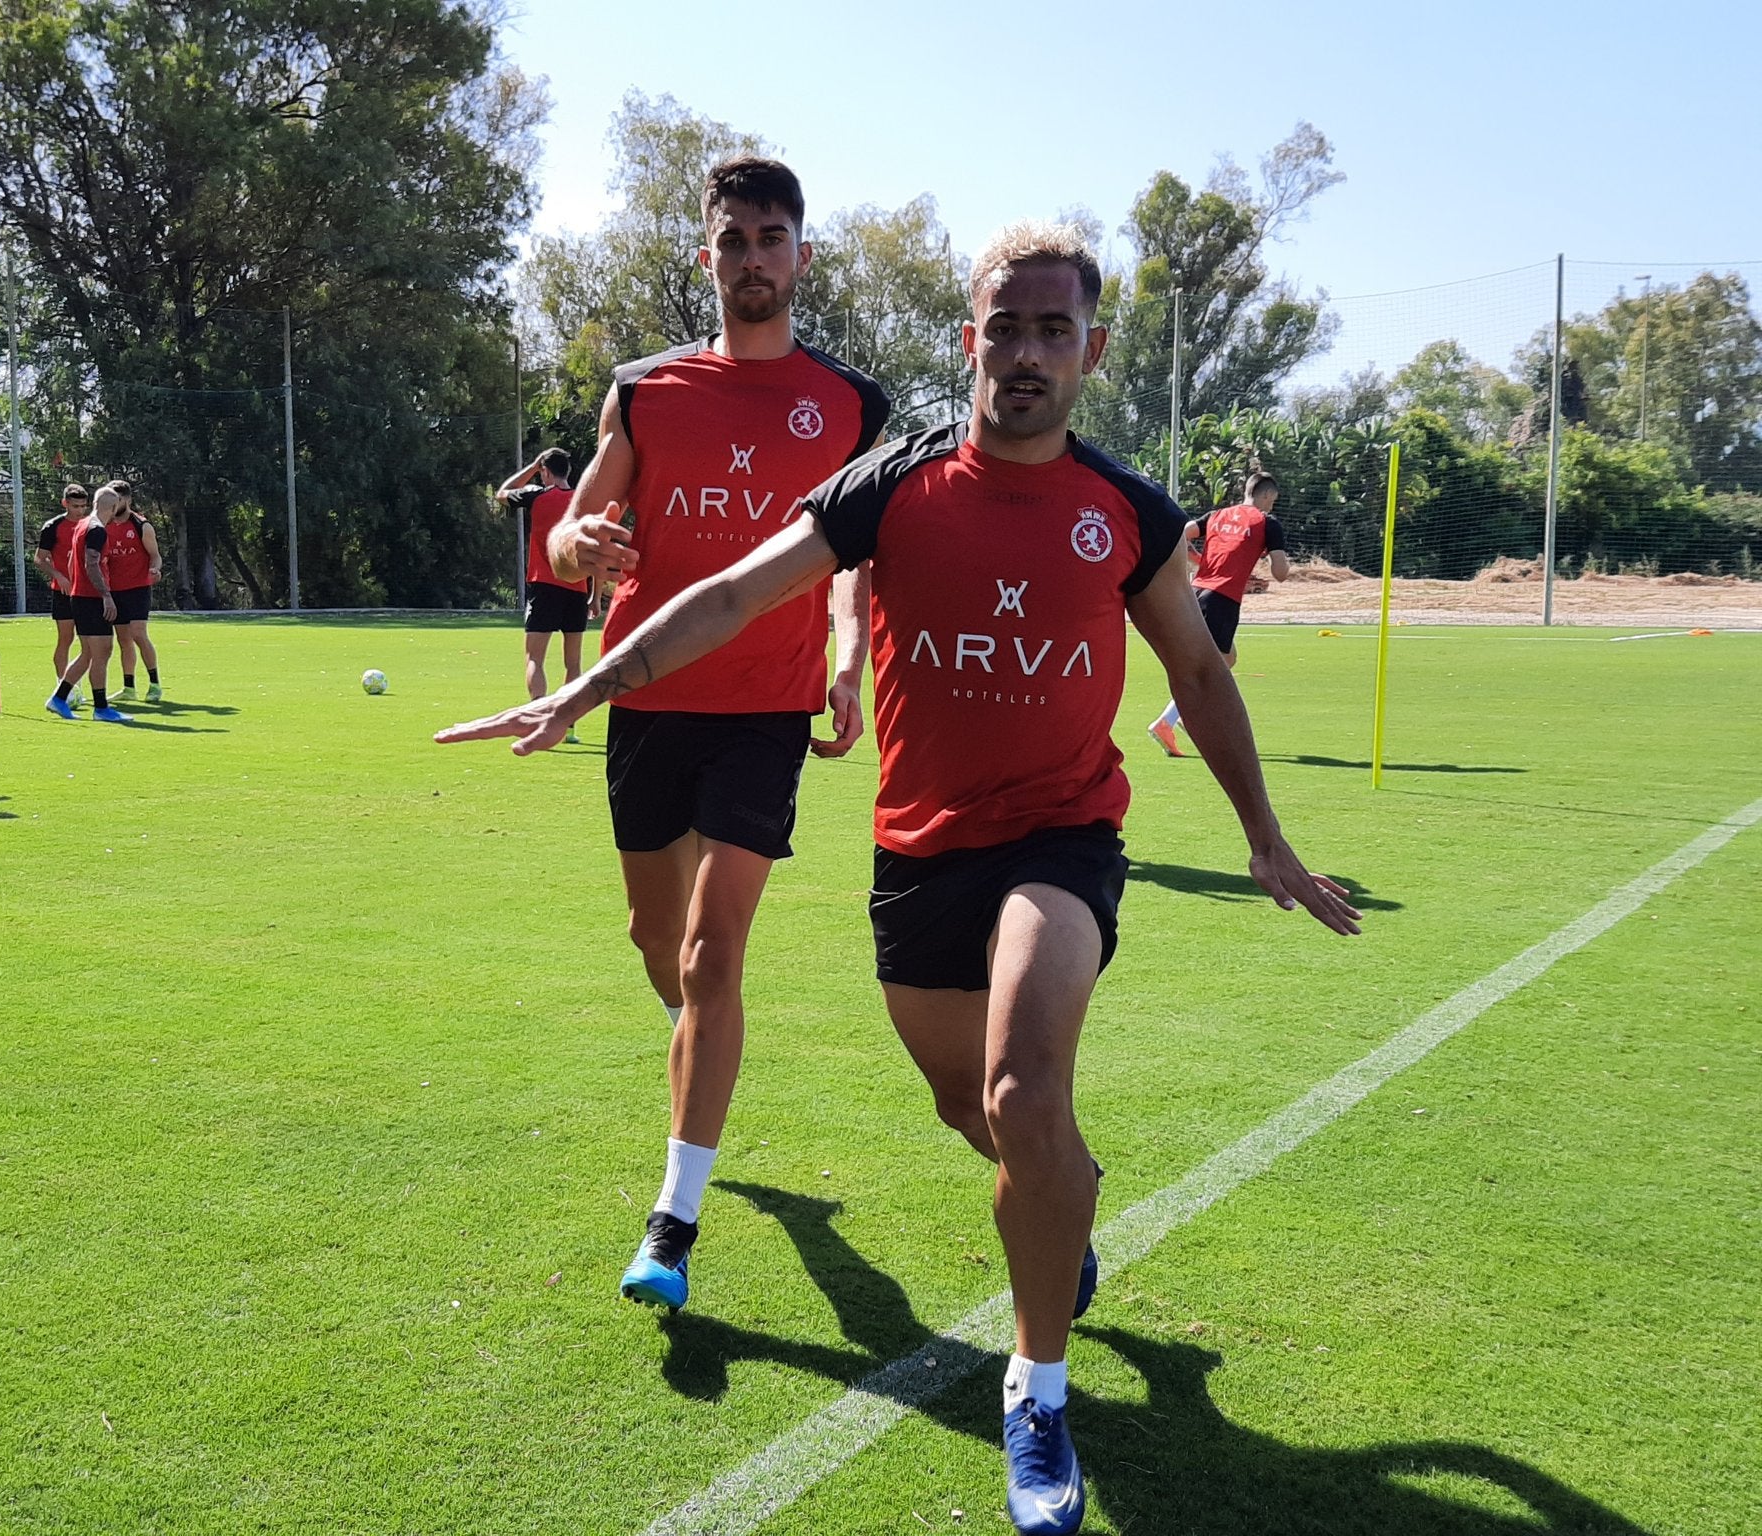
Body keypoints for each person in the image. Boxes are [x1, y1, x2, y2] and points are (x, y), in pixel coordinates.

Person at [439, 223, 1360, 1536]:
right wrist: (588, 686)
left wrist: (1264, 833)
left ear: (1091, 351)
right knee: (970, 1113)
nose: (1027, 352)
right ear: (970, 338)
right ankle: (1058, 1199)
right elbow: (737, 594)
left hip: (1062, 842)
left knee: (1019, 1085)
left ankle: (1035, 1394)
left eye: (1055, 330)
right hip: (922, 854)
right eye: (1006, 326)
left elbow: (1199, 676)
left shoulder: (1129, 513)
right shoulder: (894, 483)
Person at [529, 156, 890, 1312]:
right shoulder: (643, 391)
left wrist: (845, 656)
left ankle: (670, 1224)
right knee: (657, 946)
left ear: (801, 255)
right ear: (708, 257)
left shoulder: (851, 406)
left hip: (763, 716)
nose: (750, 260)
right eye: (731, 241)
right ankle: (704, 1047)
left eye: (769, 239)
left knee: (711, 951)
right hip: (644, 700)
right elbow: (571, 529)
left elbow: (852, 556)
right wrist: (579, 549)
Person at [1148, 471, 1291, 757]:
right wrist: (1277, 562)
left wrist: (1198, 560)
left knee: (1227, 657)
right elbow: (1281, 573)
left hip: (1196, 592)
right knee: (1207, 668)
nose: (1271, 506)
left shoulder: (1218, 515)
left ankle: (1183, 719)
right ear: (1264, 496)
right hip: (1223, 599)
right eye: (1272, 501)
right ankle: (1169, 720)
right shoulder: (1267, 523)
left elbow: (1181, 532)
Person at [495, 447, 588, 741]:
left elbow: (503, 492)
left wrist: (532, 467)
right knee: (573, 663)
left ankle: (538, 720)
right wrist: (596, 595)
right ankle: (569, 726)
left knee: (534, 657)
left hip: (544, 586)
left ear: (545, 471)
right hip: (577, 588)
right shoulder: (583, 502)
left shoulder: (536, 495)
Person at [45, 486, 130, 723]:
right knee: (102, 651)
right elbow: (91, 563)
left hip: (80, 597)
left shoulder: (82, 525)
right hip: (91, 599)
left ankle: (59, 698)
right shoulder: (96, 530)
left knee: (89, 653)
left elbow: (73, 560)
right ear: (113, 507)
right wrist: (106, 595)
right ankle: (101, 708)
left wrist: (76, 587)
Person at [105, 479, 163, 701]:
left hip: (138, 588)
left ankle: (155, 684)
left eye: (118, 499)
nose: (114, 503)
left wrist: (155, 570)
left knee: (138, 634)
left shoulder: (141, 525)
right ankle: (129, 688)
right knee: (123, 640)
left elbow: (155, 556)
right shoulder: (104, 524)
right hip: (115, 590)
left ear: (127, 500)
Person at [33, 483, 91, 699]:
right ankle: (62, 687)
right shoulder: (52, 527)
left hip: (87, 592)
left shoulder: (91, 525)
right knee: (66, 639)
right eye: (75, 506)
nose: (80, 511)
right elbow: (39, 558)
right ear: (65, 503)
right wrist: (58, 575)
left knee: (90, 642)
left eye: (83, 506)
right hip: (63, 592)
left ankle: (76, 685)